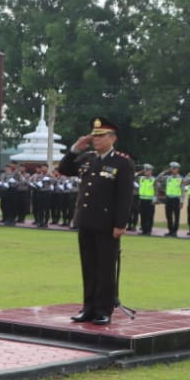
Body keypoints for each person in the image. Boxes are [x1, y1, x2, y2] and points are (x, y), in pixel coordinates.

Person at [55, 117, 135, 325]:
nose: (96, 140)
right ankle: (88, 307)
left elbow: (125, 196)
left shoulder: (121, 162)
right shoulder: (88, 158)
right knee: (88, 266)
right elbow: (64, 169)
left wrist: (120, 224)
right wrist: (75, 149)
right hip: (86, 220)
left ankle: (103, 309)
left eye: (101, 136)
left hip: (107, 223)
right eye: (94, 136)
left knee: (106, 267)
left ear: (113, 138)